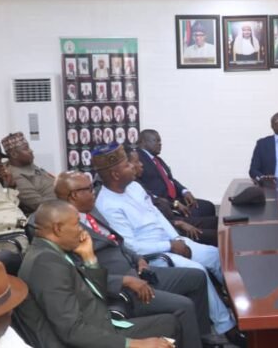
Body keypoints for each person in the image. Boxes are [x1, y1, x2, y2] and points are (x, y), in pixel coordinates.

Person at [92, 144, 244, 346]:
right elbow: (132, 246)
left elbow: (156, 215)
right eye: (128, 164)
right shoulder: (107, 204)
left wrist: (177, 240)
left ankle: (242, 313)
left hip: (172, 241)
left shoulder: (135, 187)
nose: (134, 166)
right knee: (198, 270)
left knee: (217, 256)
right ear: (115, 174)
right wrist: (170, 246)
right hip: (155, 255)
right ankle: (226, 327)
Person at [56, 171, 213, 348]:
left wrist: (138, 258)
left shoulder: (92, 211)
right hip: (123, 290)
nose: (94, 193)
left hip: (137, 270)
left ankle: (202, 338)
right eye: (90, 189)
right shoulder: (67, 229)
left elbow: (116, 242)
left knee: (196, 277)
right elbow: (80, 275)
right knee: (183, 306)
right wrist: (124, 280)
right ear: (75, 195)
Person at [15, 200, 178, 348]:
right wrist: (135, 344)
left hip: (100, 324)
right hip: (88, 339)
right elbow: (72, 332)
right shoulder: (45, 264)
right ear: (58, 228)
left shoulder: (53, 251)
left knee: (169, 323)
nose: (81, 230)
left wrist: (89, 257)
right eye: (77, 224)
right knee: (169, 327)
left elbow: (98, 296)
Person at [128, 150, 217, 246]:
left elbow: (170, 180)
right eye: (137, 162)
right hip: (169, 227)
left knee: (216, 220)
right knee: (217, 235)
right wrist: (176, 222)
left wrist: (183, 192)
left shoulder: (136, 186)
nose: (141, 165)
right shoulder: (133, 190)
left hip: (172, 218)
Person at [137, 129, 216, 218]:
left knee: (208, 207)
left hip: (176, 199)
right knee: (202, 215)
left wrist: (184, 191)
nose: (160, 144)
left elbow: (170, 180)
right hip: (165, 205)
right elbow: (145, 192)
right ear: (143, 142)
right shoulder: (138, 160)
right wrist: (174, 204)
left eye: (160, 141)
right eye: (156, 141)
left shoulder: (157, 159)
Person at [2, 132, 56, 212]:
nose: (31, 150)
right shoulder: (15, 176)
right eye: (26, 148)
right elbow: (39, 205)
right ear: (14, 154)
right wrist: (65, 198)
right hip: (54, 211)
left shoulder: (27, 164)